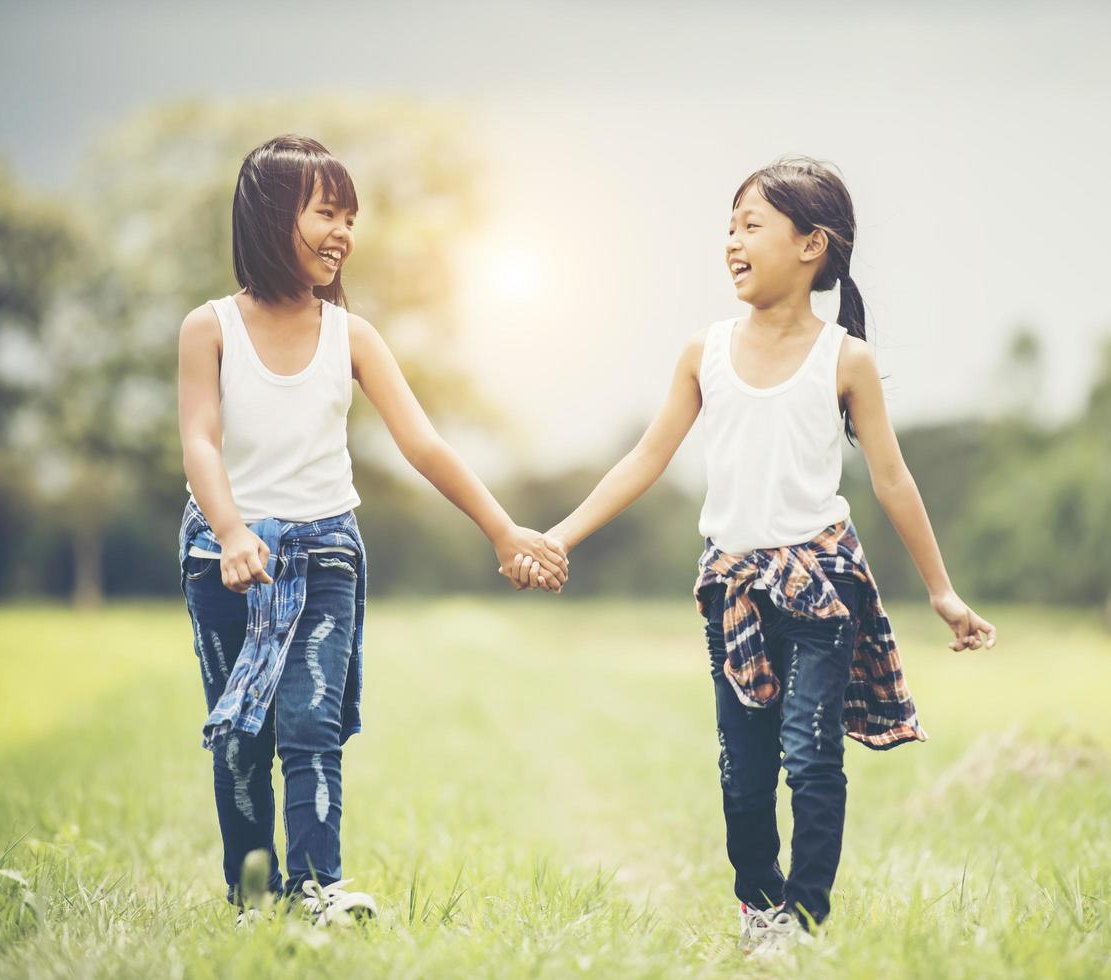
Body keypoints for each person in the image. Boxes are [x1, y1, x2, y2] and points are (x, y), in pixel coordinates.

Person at [519, 157, 996, 954]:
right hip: (734, 589)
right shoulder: (702, 352)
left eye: (751, 226)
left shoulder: (843, 359)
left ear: (812, 244)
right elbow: (645, 459)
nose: (732, 242)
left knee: (810, 761)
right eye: (729, 228)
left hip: (821, 588)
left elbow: (892, 479)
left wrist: (941, 592)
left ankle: (804, 924)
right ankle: (759, 907)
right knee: (744, 778)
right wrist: (558, 535)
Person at [177, 134, 566, 925]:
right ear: (268, 215)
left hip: (325, 556)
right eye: (327, 212)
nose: (344, 233)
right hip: (225, 559)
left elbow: (422, 443)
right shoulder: (208, 327)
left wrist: (501, 531)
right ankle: (253, 896)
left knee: (310, 725)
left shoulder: (351, 335)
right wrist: (229, 530)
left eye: (351, 218)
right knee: (240, 735)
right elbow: (199, 441)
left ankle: (318, 888)